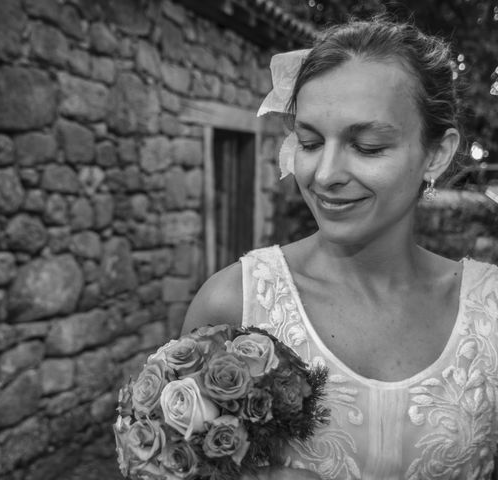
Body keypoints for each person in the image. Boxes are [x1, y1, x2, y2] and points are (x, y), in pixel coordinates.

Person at [182, 17, 498, 480]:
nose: (325, 173)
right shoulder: (233, 303)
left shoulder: (490, 314)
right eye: (309, 142)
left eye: (367, 147)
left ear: (436, 154)